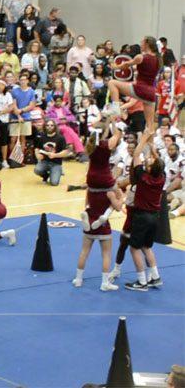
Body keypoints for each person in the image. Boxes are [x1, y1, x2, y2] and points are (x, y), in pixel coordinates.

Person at [74, 122, 125, 291]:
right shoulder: (105, 146)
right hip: (104, 178)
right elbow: (117, 135)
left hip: (92, 179)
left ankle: (78, 279)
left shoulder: (90, 147)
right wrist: (113, 121)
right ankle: (104, 283)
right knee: (115, 196)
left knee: (84, 251)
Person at [122, 131, 165, 291]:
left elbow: (136, 155)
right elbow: (158, 162)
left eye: (150, 160)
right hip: (155, 217)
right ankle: (155, 277)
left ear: (148, 168)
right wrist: (153, 148)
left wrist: (145, 138)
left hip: (142, 216)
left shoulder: (142, 177)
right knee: (147, 247)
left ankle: (141, 281)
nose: (149, 159)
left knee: (134, 248)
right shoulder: (162, 177)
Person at [107, 36, 162, 134]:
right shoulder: (158, 59)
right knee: (150, 127)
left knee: (112, 83)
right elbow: (145, 69)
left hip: (140, 89)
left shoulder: (141, 57)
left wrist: (114, 67)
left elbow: (125, 65)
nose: (140, 44)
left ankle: (115, 110)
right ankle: (149, 145)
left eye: (142, 42)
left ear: (147, 44)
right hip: (151, 94)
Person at [33, 120, 72, 186]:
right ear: (45, 127)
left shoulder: (60, 138)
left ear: (55, 127)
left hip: (56, 163)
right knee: (37, 170)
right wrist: (37, 155)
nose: (49, 127)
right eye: (47, 125)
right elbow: (37, 148)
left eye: (51, 125)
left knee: (54, 183)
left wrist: (55, 155)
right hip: (44, 161)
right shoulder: (42, 137)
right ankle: (46, 176)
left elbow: (65, 151)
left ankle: (58, 171)